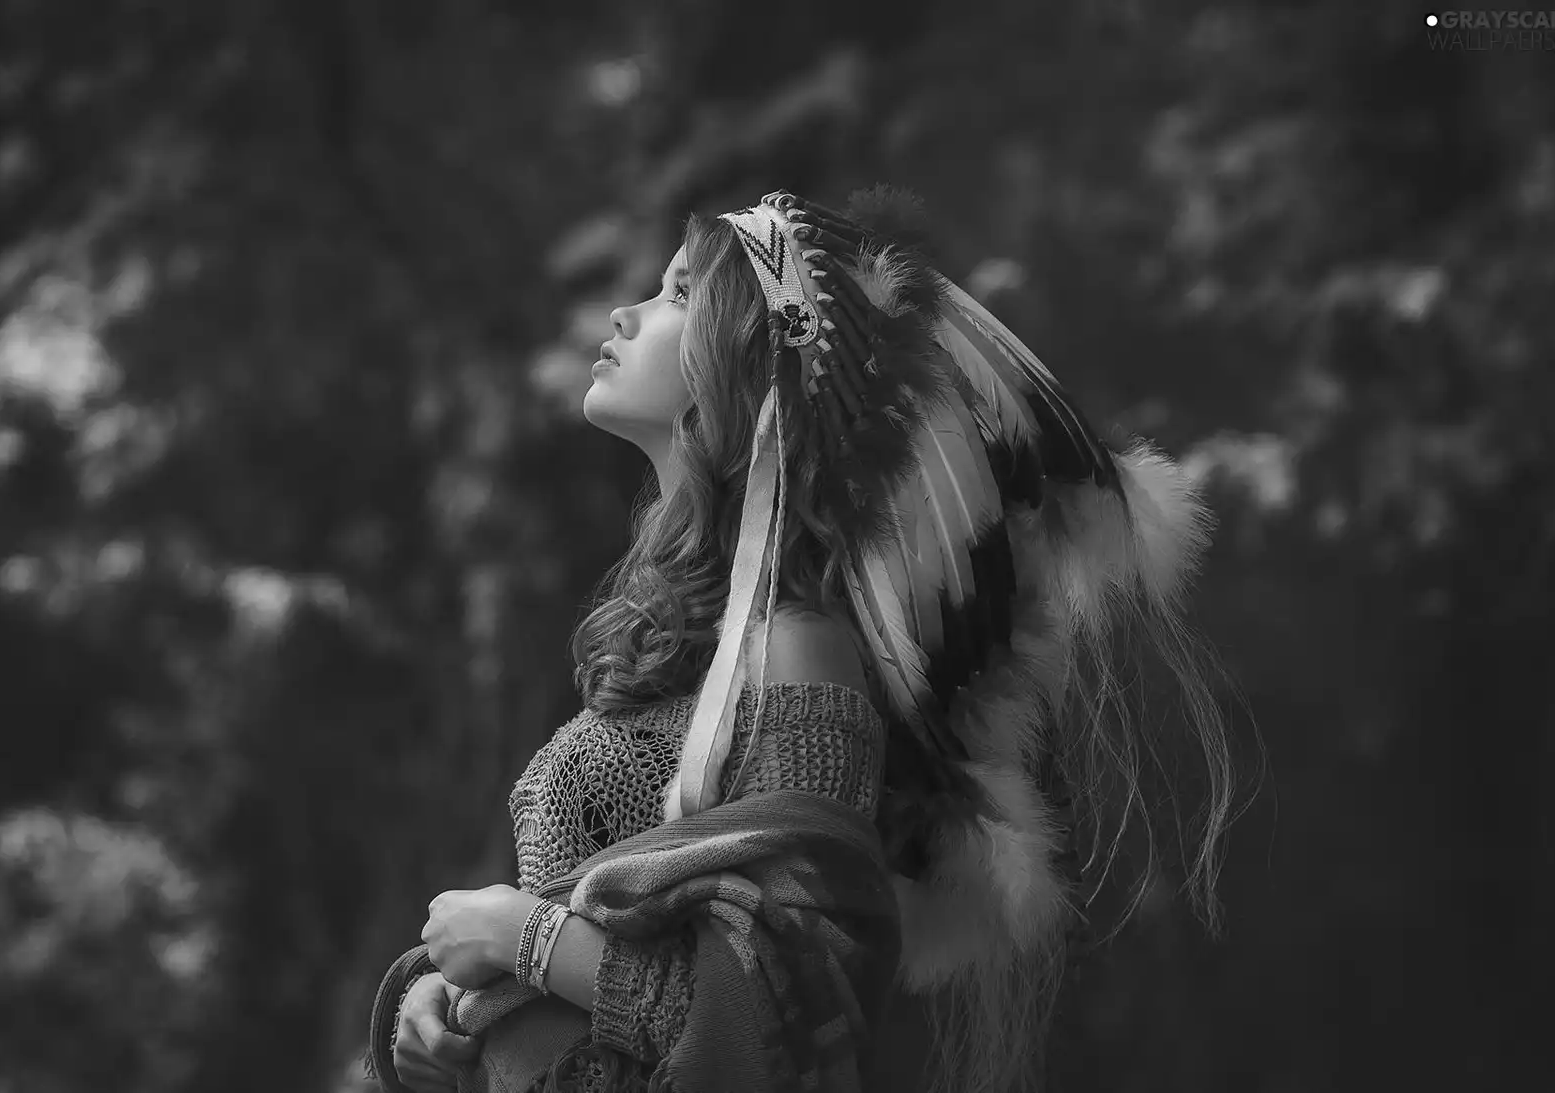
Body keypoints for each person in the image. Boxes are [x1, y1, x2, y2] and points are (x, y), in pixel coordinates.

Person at [367, 187, 1239, 1093]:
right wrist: (435, 1007)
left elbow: (782, 1025)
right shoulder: (678, 639)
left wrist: (526, 940)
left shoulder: (797, 651)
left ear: (750, 368)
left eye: (676, 296)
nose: (626, 312)